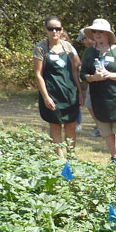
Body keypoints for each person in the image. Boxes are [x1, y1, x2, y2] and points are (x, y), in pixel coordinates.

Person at [79, 18, 116, 163]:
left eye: (101, 31)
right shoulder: (89, 53)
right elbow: (82, 75)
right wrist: (93, 78)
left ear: (108, 34)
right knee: (106, 131)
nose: (97, 34)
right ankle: (114, 158)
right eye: (95, 31)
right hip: (99, 99)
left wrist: (110, 75)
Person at [33, 16, 81, 149]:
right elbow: (38, 74)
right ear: (46, 30)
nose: (54, 31)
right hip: (52, 93)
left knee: (71, 126)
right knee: (55, 126)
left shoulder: (68, 47)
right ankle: (59, 160)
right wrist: (46, 97)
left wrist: (80, 93)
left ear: (61, 30)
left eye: (57, 29)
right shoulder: (40, 48)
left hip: (69, 94)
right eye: (51, 28)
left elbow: (76, 69)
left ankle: (72, 158)